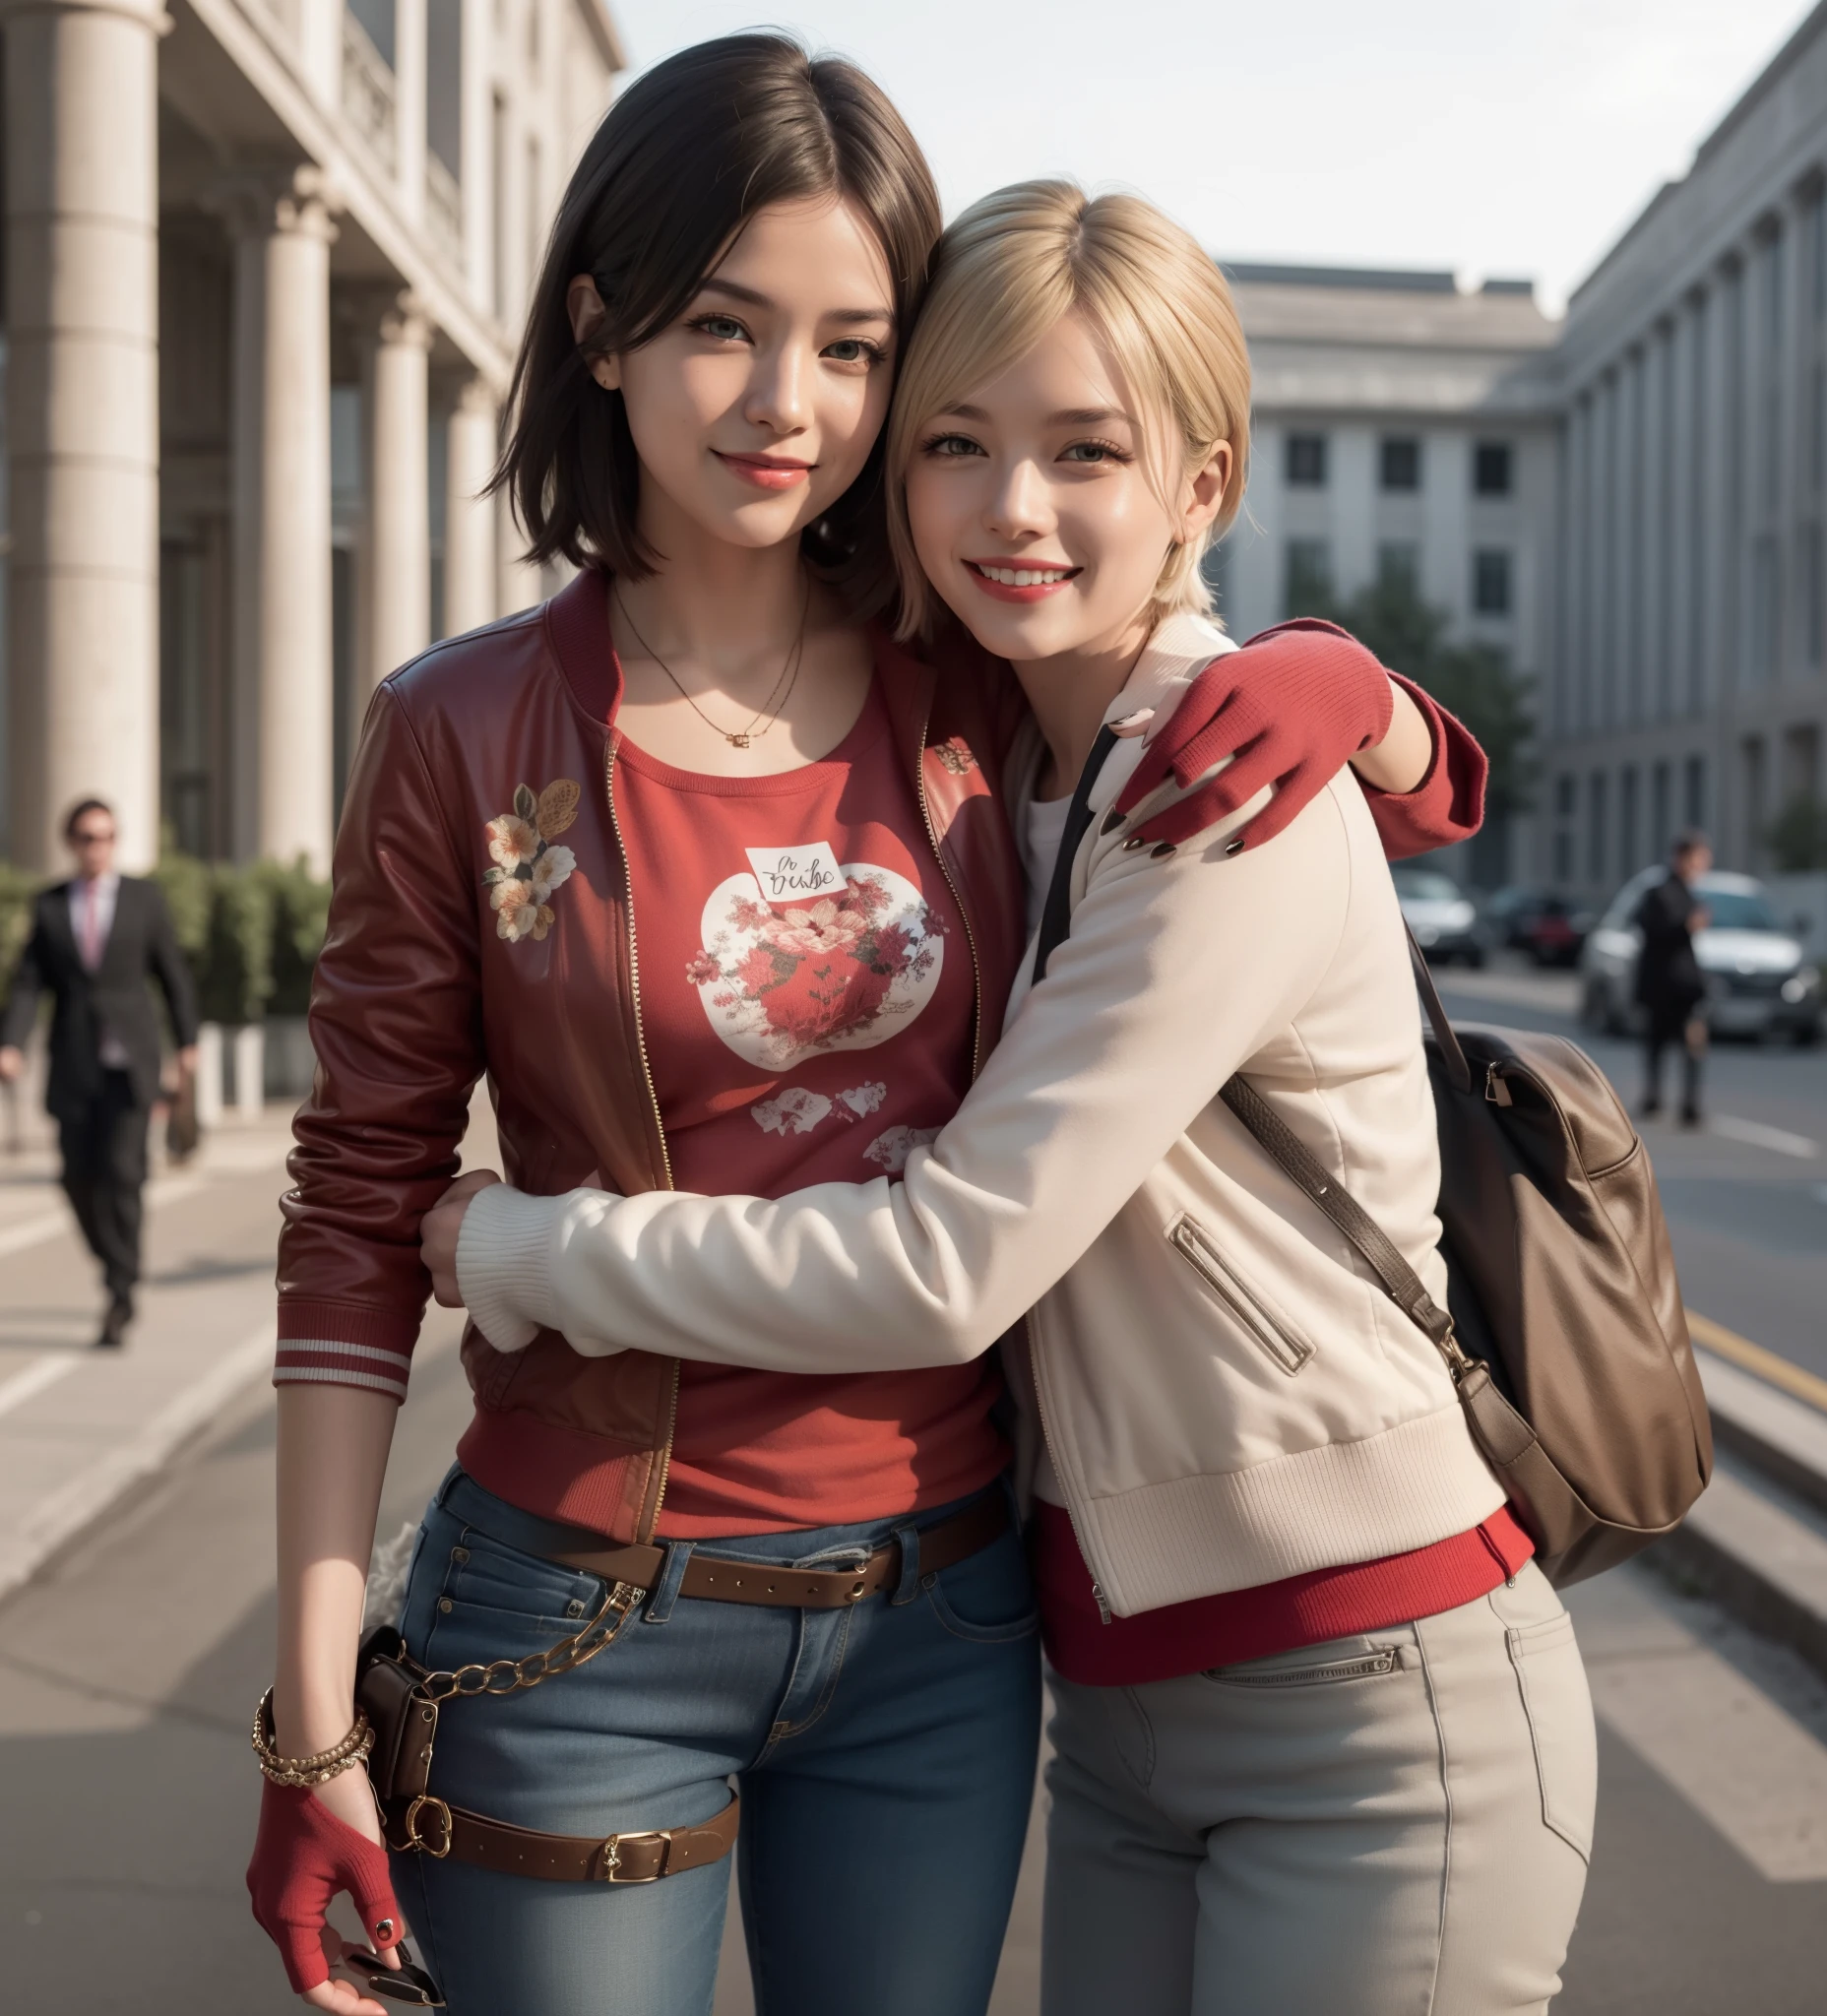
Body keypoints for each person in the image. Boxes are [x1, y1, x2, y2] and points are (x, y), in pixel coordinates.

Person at [245, 38, 1490, 2016]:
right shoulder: (464, 726)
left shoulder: (969, 673)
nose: (786, 406)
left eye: (850, 345)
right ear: (600, 323)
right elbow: (353, 1211)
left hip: (949, 1615)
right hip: (575, 1618)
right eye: (725, 327)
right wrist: (314, 1720)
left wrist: (1356, 684)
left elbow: (1311, 772)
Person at [0, 798, 200, 1348]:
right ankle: (115, 1261)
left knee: (123, 1174)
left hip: (130, 1065)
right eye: (87, 837)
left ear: (115, 842)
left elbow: (171, 973)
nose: (97, 846)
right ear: (72, 843)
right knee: (76, 1178)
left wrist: (187, 1042)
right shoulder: (48, 906)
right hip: (74, 1063)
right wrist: (11, 1044)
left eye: (106, 836)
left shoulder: (144, 899)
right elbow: (27, 984)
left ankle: (120, 1289)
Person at [1633, 829, 1712, 1125]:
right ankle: (1658, 1097)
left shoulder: (1689, 892)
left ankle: (1686, 1102)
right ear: (1683, 858)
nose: (1703, 865)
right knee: (1660, 1044)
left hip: (1681, 987)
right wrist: (1687, 926)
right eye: (1699, 858)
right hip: (1668, 986)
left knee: (1689, 1046)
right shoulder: (1660, 892)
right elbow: (1654, 930)